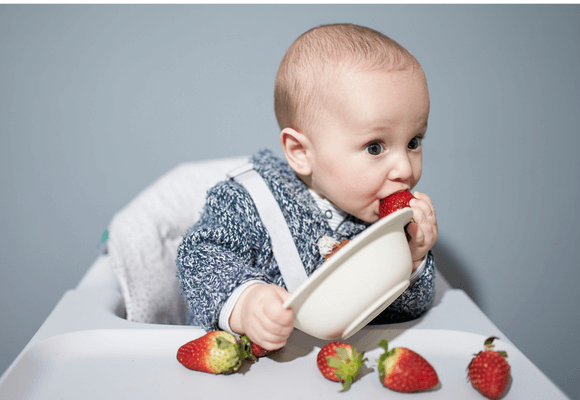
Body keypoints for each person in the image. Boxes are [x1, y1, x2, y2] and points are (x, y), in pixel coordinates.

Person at [177, 23, 438, 351]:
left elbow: (400, 314)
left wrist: (412, 260)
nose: (404, 168)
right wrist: (244, 302)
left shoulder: (385, 222)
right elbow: (198, 256)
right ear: (301, 152)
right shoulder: (247, 200)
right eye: (375, 147)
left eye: (414, 141)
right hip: (243, 367)